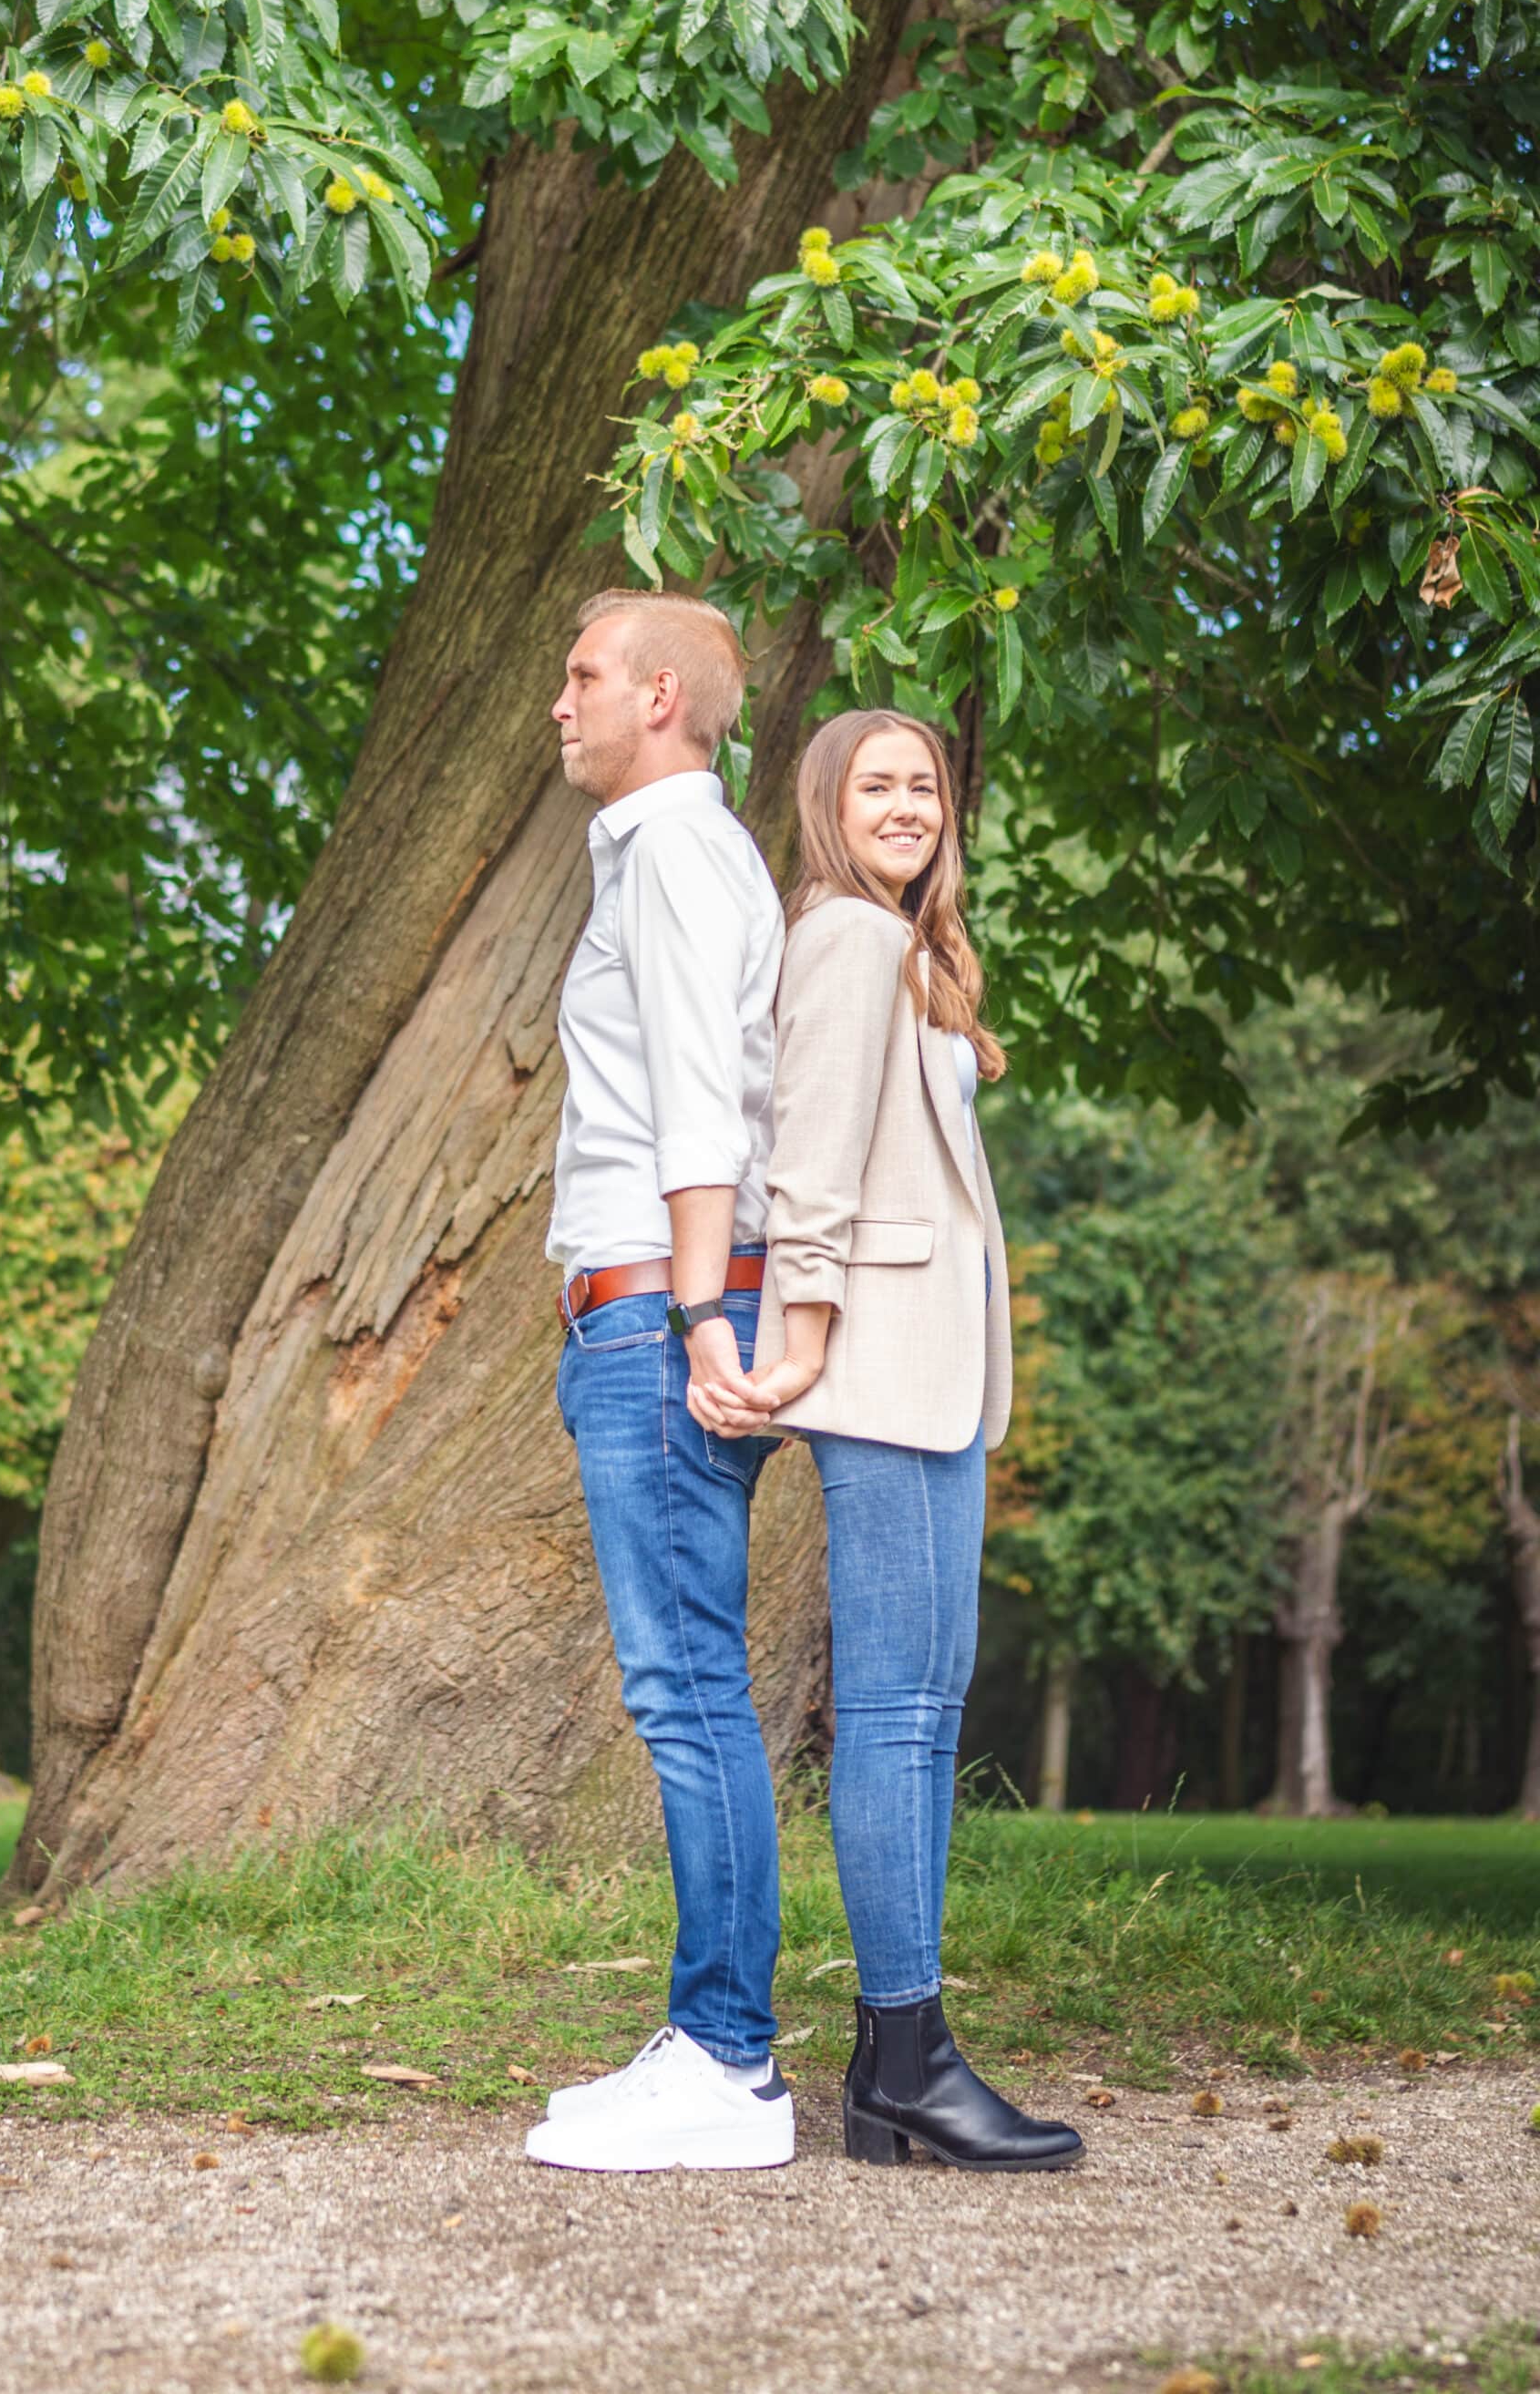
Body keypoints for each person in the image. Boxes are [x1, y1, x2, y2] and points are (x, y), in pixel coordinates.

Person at [736, 705, 1081, 2173]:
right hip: (873, 1366)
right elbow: (804, 1146)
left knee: (927, 1709)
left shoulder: (910, 948)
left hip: (934, 1372)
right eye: (874, 784)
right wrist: (801, 1325)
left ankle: (908, 2066)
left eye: (923, 786)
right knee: (893, 1712)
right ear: (827, 803)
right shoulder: (846, 937)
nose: (904, 806)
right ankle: (901, 2058)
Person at [523, 587, 796, 2174]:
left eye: (583, 678)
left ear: (667, 700)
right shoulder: (653, 853)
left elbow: (705, 1099)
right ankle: (712, 2042)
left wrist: (699, 1314)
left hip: (663, 1313)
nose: (560, 704)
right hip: (637, 1311)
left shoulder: (683, 850)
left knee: (688, 1689)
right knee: (686, 1685)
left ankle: (729, 2065)